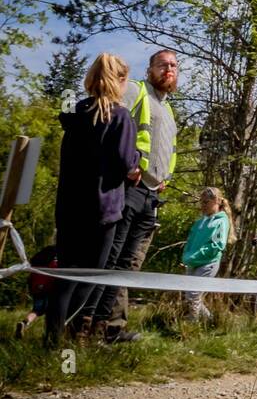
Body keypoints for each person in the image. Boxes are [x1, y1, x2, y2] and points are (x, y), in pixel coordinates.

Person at [46, 54, 140, 344]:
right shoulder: (119, 116)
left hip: (69, 208)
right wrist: (136, 165)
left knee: (65, 277)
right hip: (103, 210)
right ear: (120, 81)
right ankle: (73, 342)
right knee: (90, 277)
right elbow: (126, 162)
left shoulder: (74, 116)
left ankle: (51, 343)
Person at [87, 48, 179, 345]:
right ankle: (89, 326)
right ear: (149, 69)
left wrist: (165, 178)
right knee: (111, 258)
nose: (169, 69)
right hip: (129, 189)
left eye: (174, 65)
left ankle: (112, 328)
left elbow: (168, 151)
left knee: (129, 264)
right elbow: (109, 120)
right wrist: (128, 166)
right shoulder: (137, 91)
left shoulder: (168, 108)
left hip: (153, 194)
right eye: (162, 64)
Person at [181, 187, 233, 321]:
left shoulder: (221, 221)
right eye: (201, 202)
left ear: (216, 201)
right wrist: (187, 255)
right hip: (192, 262)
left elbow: (218, 245)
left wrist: (197, 255)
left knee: (194, 294)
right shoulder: (200, 222)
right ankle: (210, 320)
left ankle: (192, 324)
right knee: (190, 296)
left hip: (208, 263)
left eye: (206, 202)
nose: (202, 206)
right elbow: (191, 240)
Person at [15, 246, 58, 338]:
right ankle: (49, 334)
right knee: (51, 312)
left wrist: (32, 290)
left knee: (36, 311)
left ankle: (24, 322)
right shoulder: (54, 264)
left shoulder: (35, 263)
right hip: (48, 290)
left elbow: (30, 279)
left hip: (36, 290)